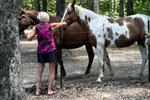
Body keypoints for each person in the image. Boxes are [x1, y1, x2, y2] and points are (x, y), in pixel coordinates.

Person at [27, 11, 67, 95]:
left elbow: (29, 38)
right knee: (52, 71)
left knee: (39, 71)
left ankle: (37, 90)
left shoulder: (36, 27)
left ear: (39, 18)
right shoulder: (50, 26)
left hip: (40, 51)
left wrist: (35, 32)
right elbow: (61, 24)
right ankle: (49, 90)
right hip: (50, 50)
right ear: (47, 18)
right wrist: (65, 22)